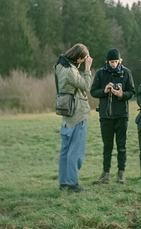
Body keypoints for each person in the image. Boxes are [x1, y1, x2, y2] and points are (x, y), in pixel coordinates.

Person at [90, 48, 135, 184]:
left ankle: (121, 173)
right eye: (111, 62)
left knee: (122, 146)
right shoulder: (100, 73)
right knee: (107, 146)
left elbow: (132, 92)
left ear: (120, 60)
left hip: (121, 115)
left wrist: (122, 94)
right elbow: (93, 91)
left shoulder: (126, 73)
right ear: (107, 61)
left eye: (115, 61)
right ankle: (105, 174)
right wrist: (104, 91)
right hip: (105, 116)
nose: (113, 64)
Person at [54, 43, 93, 192]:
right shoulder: (71, 71)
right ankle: (73, 184)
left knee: (65, 149)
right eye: (84, 59)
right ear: (78, 58)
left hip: (66, 112)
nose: (84, 61)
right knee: (75, 150)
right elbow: (85, 86)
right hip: (77, 113)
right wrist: (87, 68)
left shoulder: (60, 65)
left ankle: (63, 182)